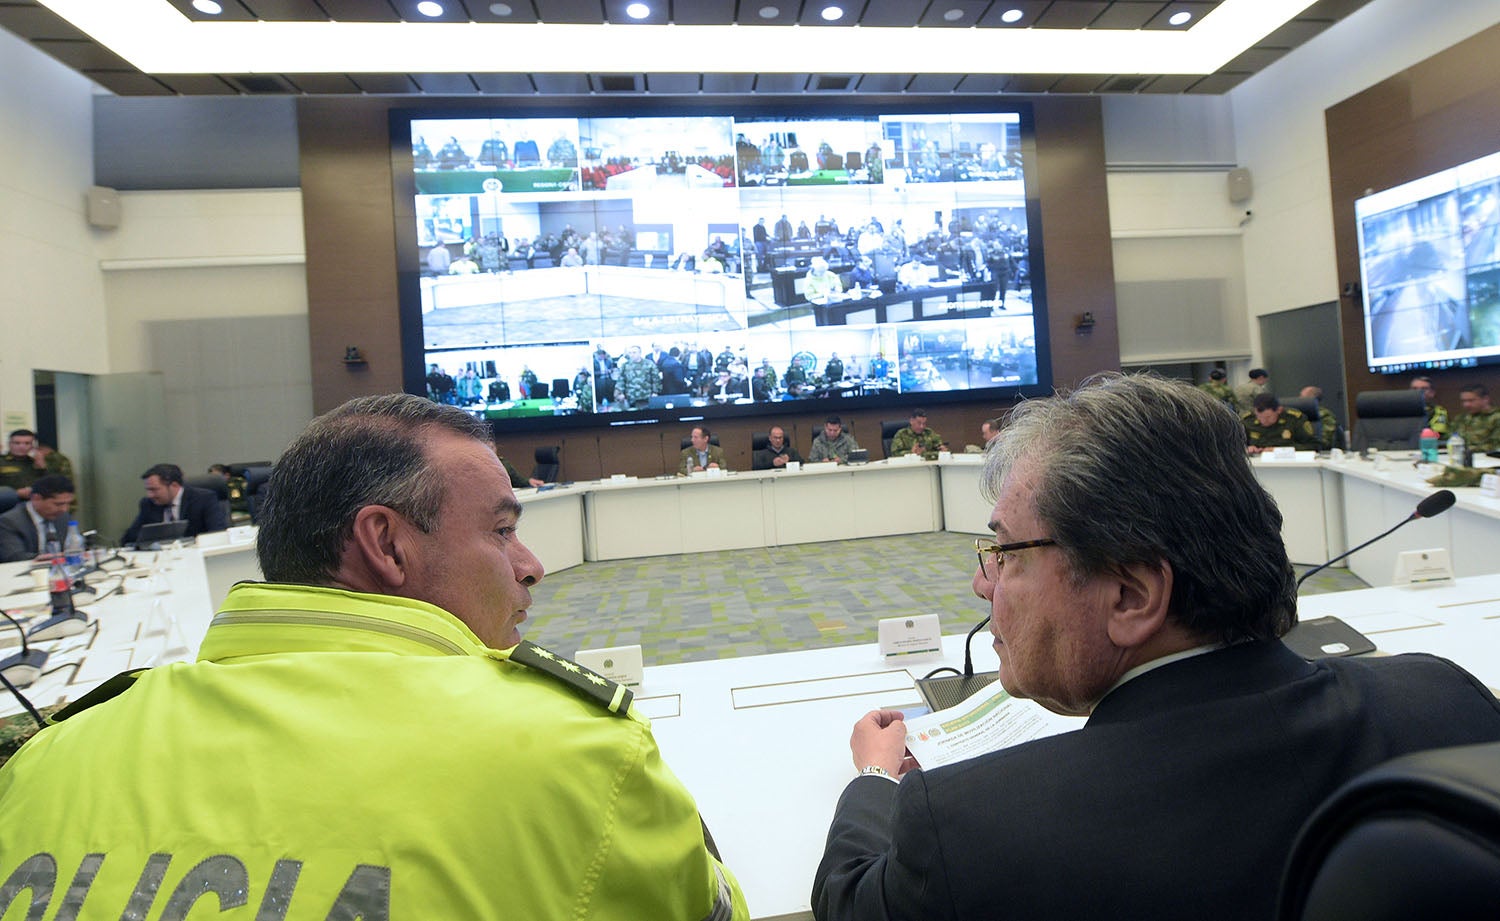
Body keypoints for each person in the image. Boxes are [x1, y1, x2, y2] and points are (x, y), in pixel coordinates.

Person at [0, 394, 748, 919]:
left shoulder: (45, 759)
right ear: (387, 544)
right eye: (501, 531)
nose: (531, 566)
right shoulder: (575, 756)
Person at [811, 373, 1500, 921]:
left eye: (1008, 553)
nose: (981, 583)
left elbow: (850, 897)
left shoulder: (972, 824)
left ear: (1132, 596)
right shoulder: (1446, 702)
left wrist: (875, 777)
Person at [120, 462, 230, 545]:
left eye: (154, 490)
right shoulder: (148, 504)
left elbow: (218, 533)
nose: (150, 495)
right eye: (148, 490)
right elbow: (128, 539)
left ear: (174, 485)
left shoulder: (204, 499)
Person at [0, 474, 74, 563]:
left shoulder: (63, 517)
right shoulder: (9, 522)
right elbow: (14, 557)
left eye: (68, 503)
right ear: (36, 498)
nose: (64, 509)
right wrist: (50, 558)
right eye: (58, 504)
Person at [0, 429, 67, 500]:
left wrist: (43, 467)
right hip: (8, 503)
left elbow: (55, 486)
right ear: (9, 444)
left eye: (27, 443)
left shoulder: (38, 462)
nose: (22, 446)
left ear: (32, 446)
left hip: (37, 503)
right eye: (17, 443)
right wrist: (16, 493)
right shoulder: (2, 462)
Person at [1243, 392, 1318, 453]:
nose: (1263, 421)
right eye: (1259, 417)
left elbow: (1315, 446)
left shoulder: (1293, 419)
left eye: (1268, 417)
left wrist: (1280, 451)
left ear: (1279, 410)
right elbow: (1238, 445)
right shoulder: (1248, 420)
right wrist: (1247, 448)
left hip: (1289, 462)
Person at [1453, 383, 1500, 451]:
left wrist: (1467, 449)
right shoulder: (1461, 418)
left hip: (1487, 456)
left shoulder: (1496, 417)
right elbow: (1450, 439)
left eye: (1471, 400)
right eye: (1463, 401)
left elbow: (1496, 446)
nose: (1466, 404)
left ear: (1485, 399)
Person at [1299, 385, 1340, 450]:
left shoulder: (1325, 415)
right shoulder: (1298, 415)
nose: (1299, 399)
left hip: (1321, 453)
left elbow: (1325, 442)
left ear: (1311, 399)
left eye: (1301, 396)